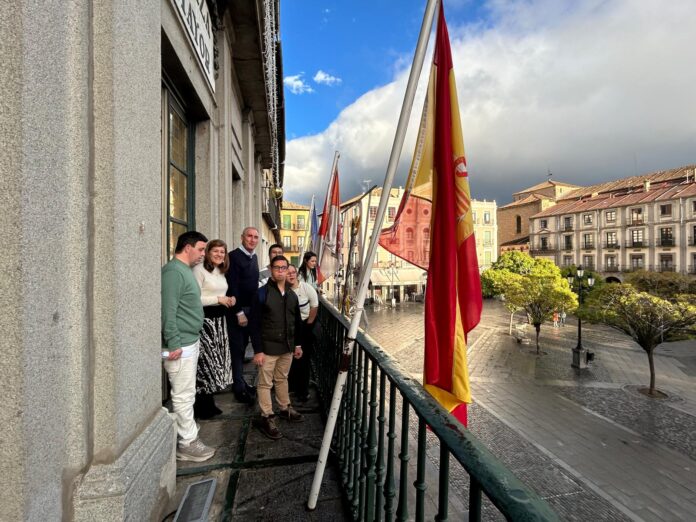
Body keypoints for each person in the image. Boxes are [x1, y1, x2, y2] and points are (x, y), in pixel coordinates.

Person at [161, 230, 215, 462]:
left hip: (188, 341)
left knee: (188, 393)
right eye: (201, 249)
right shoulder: (173, 272)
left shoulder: (183, 271)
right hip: (179, 345)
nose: (204, 254)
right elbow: (167, 310)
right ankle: (188, 443)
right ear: (187, 247)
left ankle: (188, 430)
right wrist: (173, 342)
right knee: (183, 395)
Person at [250, 255, 304, 440]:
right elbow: (254, 324)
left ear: (288, 270)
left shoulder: (291, 295)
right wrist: (257, 350)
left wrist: (297, 344)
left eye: (284, 268)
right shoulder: (262, 293)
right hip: (267, 347)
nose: (281, 271)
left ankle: (284, 407)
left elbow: (296, 322)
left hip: (287, 346)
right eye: (277, 268)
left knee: (282, 378)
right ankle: (266, 416)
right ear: (271, 270)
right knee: (265, 383)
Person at [192, 240, 236, 419]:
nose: (219, 254)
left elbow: (219, 293)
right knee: (205, 363)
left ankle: (209, 402)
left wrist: (228, 299)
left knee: (215, 362)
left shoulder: (220, 270)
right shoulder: (199, 270)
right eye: (215, 251)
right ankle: (201, 406)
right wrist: (219, 299)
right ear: (208, 252)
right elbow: (194, 298)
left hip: (219, 320)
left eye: (222, 252)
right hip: (205, 320)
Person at [226, 227, 260, 404]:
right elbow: (232, 287)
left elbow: (253, 286)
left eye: (255, 237)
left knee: (243, 346)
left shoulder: (253, 257)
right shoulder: (233, 257)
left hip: (251, 311)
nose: (253, 240)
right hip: (238, 312)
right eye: (249, 236)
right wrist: (239, 312)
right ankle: (238, 387)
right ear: (242, 237)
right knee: (237, 350)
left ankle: (240, 382)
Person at [287, 264, 319, 402]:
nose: (291, 275)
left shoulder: (306, 288)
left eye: (293, 272)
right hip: (289, 328)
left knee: (303, 360)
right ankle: (292, 387)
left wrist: (309, 324)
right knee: (290, 359)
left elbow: (314, 305)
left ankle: (303, 390)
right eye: (288, 273)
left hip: (305, 326)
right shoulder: (284, 289)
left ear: (297, 274)